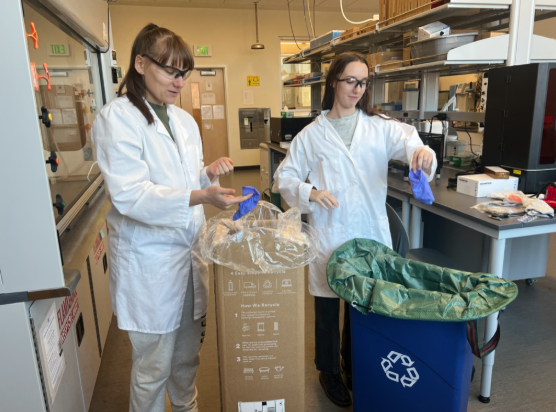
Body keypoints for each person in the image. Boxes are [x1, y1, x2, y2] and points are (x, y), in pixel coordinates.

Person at [91, 24, 250, 412]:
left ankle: (186, 408)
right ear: (140, 63)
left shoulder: (182, 121)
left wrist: (207, 174)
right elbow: (132, 195)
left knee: (186, 359)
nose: (179, 81)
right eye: (170, 71)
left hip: (187, 254)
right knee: (152, 367)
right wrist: (201, 195)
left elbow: (183, 177)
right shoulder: (116, 119)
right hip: (150, 265)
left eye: (184, 73)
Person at [274, 51, 436, 407]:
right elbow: (283, 178)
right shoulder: (310, 136)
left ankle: (354, 363)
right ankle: (329, 369)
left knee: (362, 304)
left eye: (363, 82)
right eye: (350, 80)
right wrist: (310, 192)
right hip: (329, 231)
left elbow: (411, 142)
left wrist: (422, 155)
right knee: (329, 306)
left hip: (368, 231)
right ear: (334, 81)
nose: (357, 89)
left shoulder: (379, 127)